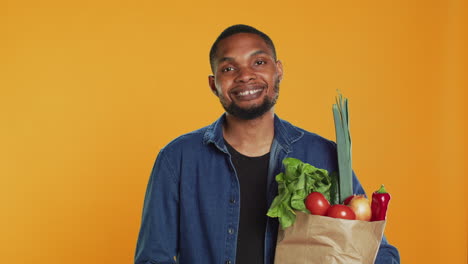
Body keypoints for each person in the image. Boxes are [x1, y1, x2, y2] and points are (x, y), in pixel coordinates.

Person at [134, 24, 400, 264]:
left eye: (259, 62)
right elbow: (152, 258)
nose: (245, 75)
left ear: (279, 71)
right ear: (213, 84)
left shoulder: (325, 155)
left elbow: (377, 250)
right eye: (228, 68)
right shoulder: (177, 159)